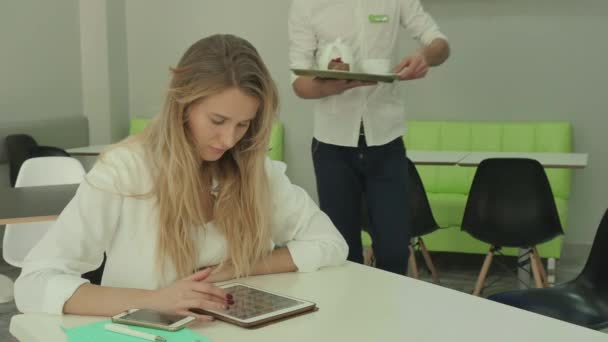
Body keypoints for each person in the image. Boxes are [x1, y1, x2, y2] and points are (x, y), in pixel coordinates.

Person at [14, 34, 348, 320]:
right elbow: (34, 282)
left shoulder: (255, 169)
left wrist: (235, 268)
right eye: (217, 120)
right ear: (182, 105)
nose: (230, 140)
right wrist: (155, 300)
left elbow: (331, 244)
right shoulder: (125, 171)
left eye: (243, 124)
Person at [289, 0, 449, 275]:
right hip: (332, 145)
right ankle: (350, 315)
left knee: (395, 249)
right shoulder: (306, 5)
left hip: (386, 141)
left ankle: (388, 315)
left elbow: (440, 45)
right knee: (342, 249)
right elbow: (299, 83)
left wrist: (424, 56)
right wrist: (332, 86)